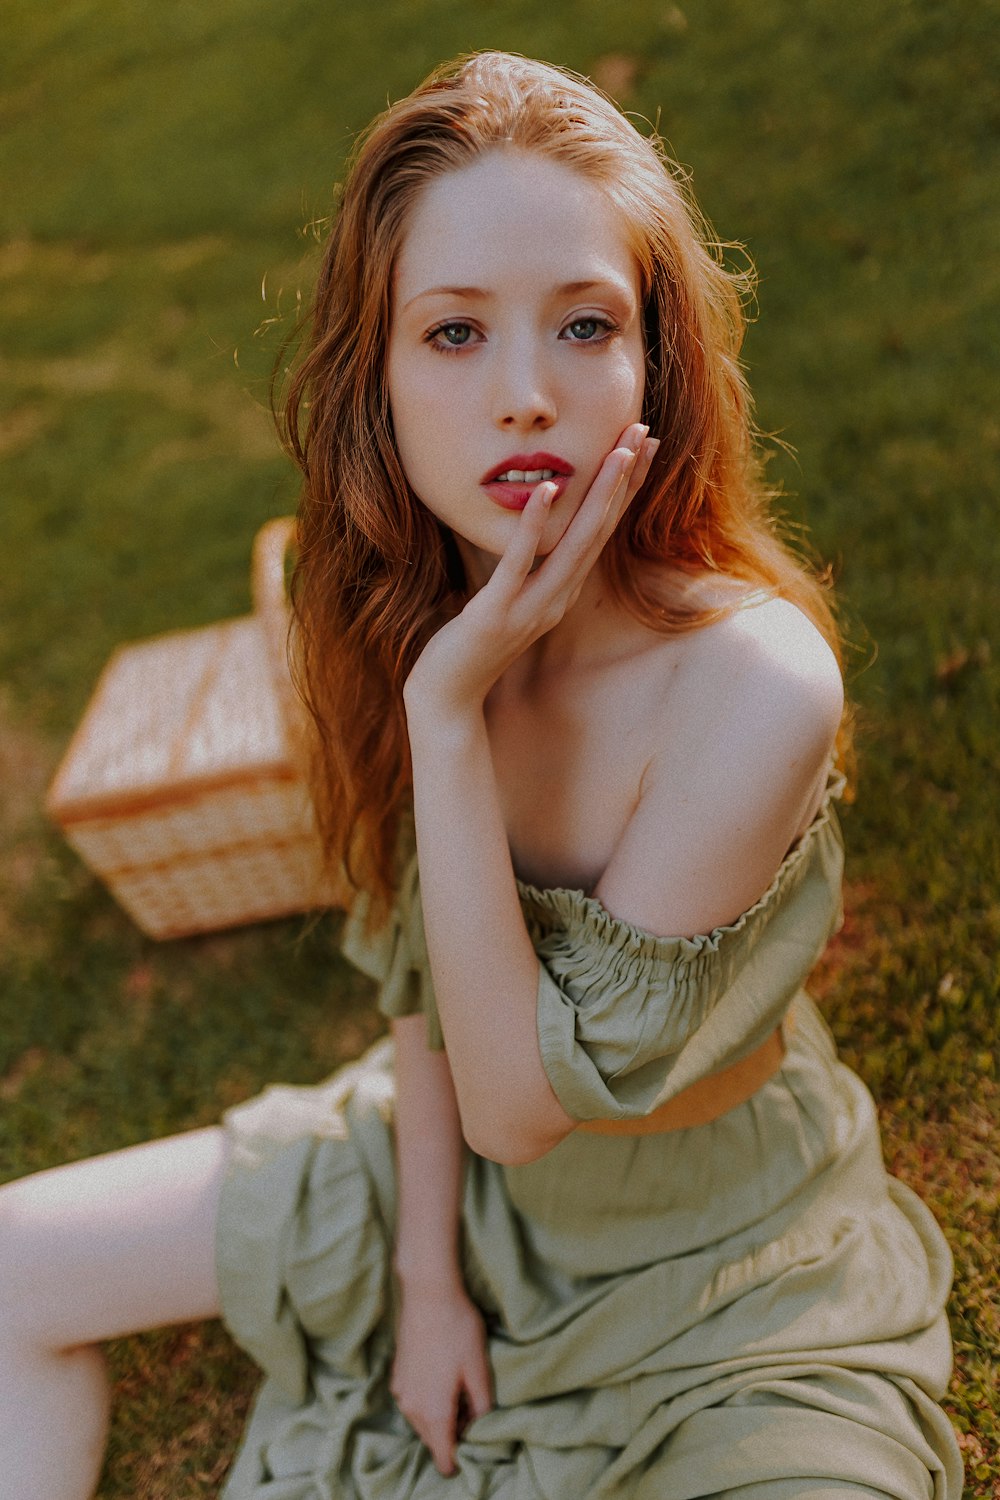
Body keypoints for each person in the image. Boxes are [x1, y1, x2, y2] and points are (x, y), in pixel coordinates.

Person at [0, 50, 963, 1500]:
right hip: (452, 1182)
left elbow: (532, 1103)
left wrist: (446, 716)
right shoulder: (388, 621)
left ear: (657, 361)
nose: (525, 395)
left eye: (584, 324)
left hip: (730, 1275)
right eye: (453, 335)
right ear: (374, 381)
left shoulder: (752, 685)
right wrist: (425, 1274)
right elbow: (429, 1001)